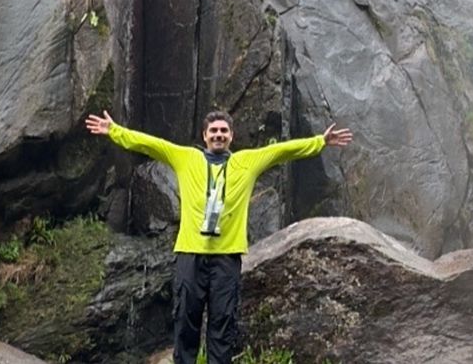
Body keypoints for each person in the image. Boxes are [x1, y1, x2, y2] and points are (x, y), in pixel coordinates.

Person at [84, 109, 354, 364]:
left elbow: (282, 151)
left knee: (223, 322)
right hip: (191, 253)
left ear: (231, 136)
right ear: (204, 136)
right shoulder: (187, 158)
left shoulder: (246, 162)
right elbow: (150, 144)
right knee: (185, 321)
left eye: (223, 130)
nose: (218, 135)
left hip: (227, 257)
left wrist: (320, 141)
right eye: (213, 130)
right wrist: (114, 130)